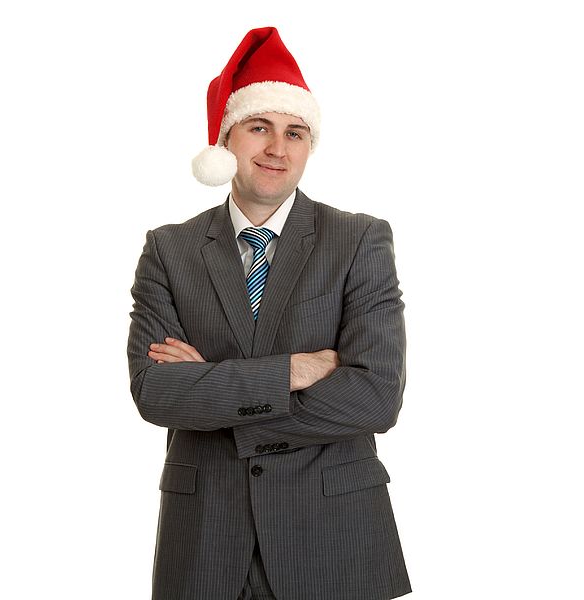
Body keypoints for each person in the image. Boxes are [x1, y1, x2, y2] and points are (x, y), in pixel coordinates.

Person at [127, 26, 411, 600]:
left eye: (295, 132)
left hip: (335, 540)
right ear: (227, 139)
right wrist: (291, 371)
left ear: (310, 145)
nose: (278, 149)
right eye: (259, 128)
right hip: (206, 540)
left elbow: (377, 397)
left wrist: (212, 393)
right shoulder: (170, 249)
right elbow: (156, 394)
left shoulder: (358, 240)